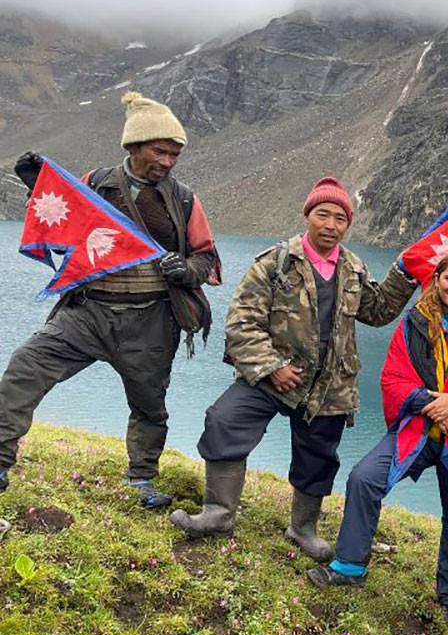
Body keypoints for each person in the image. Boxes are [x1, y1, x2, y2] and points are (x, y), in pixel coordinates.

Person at [170, 176, 417, 560]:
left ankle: (303, 529)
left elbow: (377, 311)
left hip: (330, 386)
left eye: (340, 218)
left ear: (347, 225)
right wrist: (272, 367)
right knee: (225, 421)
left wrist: (405, 274)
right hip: (272, 378)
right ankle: (218, 514)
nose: (331, 225)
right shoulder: (275, 262)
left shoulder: (352, 267)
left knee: (318, 456)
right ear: (308, 216)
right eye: (323, 215)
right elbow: (242, 322)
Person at [0, 92, 221, 506]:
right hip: (86, 313)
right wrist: (41, 189)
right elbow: (61, 228)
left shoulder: (184, 199)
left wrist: (185, 269)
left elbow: (206, 256)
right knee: (26, 367)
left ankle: (142, 481)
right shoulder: (94, 184)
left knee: (149, 405)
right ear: (134, 145)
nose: (168, 162)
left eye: (175, 155)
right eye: (160, 151)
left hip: (151, 320)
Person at [307, 252, 448, 623]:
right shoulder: (415, 323)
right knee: (365, 478)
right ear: (436, 280)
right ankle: (350, 566)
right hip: (419, 428)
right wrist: (433, 406)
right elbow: (394, 379)